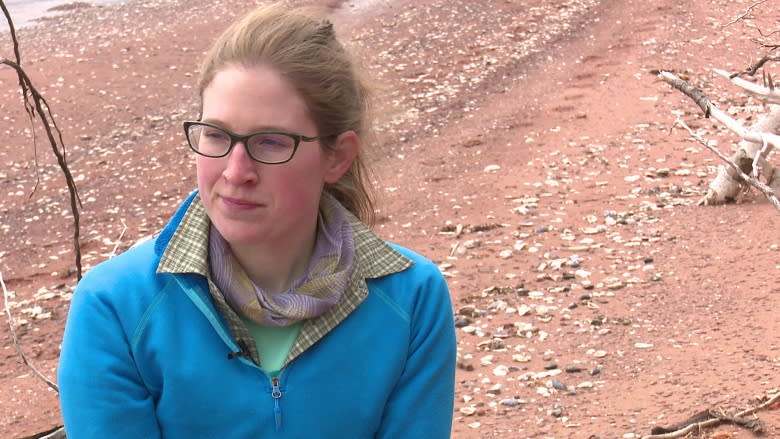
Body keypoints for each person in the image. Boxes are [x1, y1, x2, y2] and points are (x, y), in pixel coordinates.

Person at [57, 3, 456, 438]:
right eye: (216, 135)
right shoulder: (115, 306)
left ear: (337, 157)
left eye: (269, 141)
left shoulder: (412, 298)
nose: (235, 171)